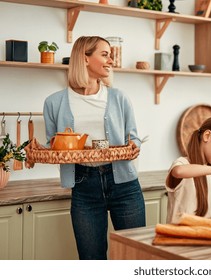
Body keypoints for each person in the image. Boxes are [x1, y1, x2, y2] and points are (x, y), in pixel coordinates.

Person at [41, 36, 145, 259]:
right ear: (85, 58)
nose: (111, 60)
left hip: (124, 185)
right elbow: (54, 145)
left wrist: (134, 147)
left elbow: (133, 139)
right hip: (83, 185)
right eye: (105, 54)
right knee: (91, 260)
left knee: (135, 256)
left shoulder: (119, 97)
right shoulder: (54, 102)